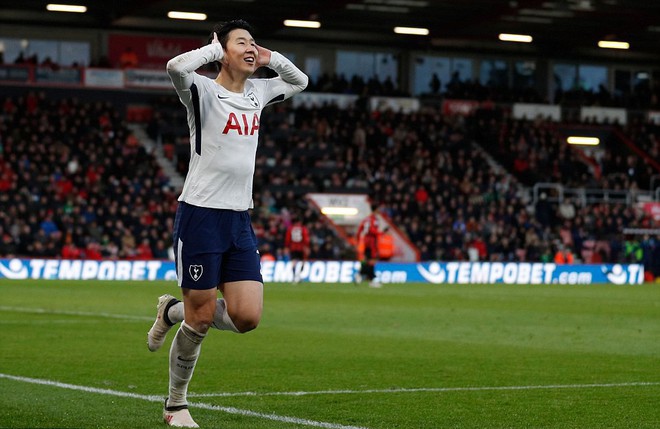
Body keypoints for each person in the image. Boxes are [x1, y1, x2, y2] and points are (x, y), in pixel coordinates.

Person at [146, 19, 307, 428]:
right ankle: (176, 405)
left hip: (239, 218)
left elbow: (300, 80)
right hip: (200, 215)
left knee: (247, 317)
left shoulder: (258, 90)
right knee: (200, 320)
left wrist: (270, 57)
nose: (251, 48)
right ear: (223, 51)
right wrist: (212, 51)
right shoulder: (202, 90)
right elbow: (175, 68)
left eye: (255, 42)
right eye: (242, 43)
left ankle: (171, 311)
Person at [355, 203, 384, 288]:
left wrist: (358, 239)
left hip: (366, 241)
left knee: (367, 260)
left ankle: (361, 275)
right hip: (371, 241)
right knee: (372, 260)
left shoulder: (366, 219)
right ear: (375, 210)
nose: (380, 211)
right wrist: (381, 233)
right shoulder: (374, 219)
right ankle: (370, 280)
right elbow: (372, 230)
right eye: (378, 209)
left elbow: (360, 229)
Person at [284, 216, 310, 283]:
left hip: (292, 247)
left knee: (293, 262)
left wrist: (287, 247)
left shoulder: (291, 228)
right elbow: (306, 238)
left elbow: (287, 239)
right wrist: (306, 246)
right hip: (301, 247)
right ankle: (299, 275)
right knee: (303, 261)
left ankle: (294, 276)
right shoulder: (303, 228)